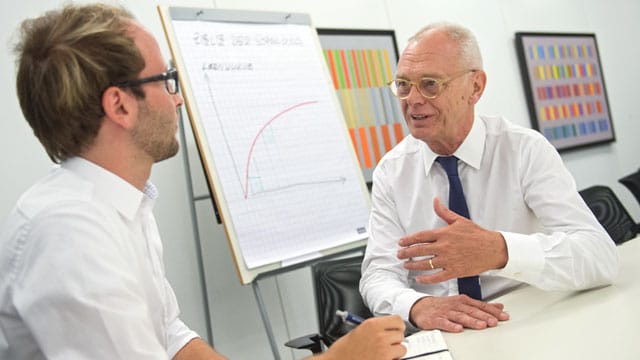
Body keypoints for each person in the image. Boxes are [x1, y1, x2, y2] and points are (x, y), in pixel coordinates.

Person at [0, 3, 406, 360]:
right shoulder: (70, 235)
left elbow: (172, 338)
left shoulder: (124, 204)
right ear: (120, 105)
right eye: (165, 79)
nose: (177, 98)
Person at [359, 22, 620, 333]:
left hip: (526, 320)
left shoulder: (524, 150)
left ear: (475, 87)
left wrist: (501, 250)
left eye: (430, 84)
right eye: (403, 84)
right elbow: (377, 274)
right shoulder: (392, 171)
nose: (412, 99)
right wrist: (417, 305)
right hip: (444, 335)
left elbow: (600, 256)